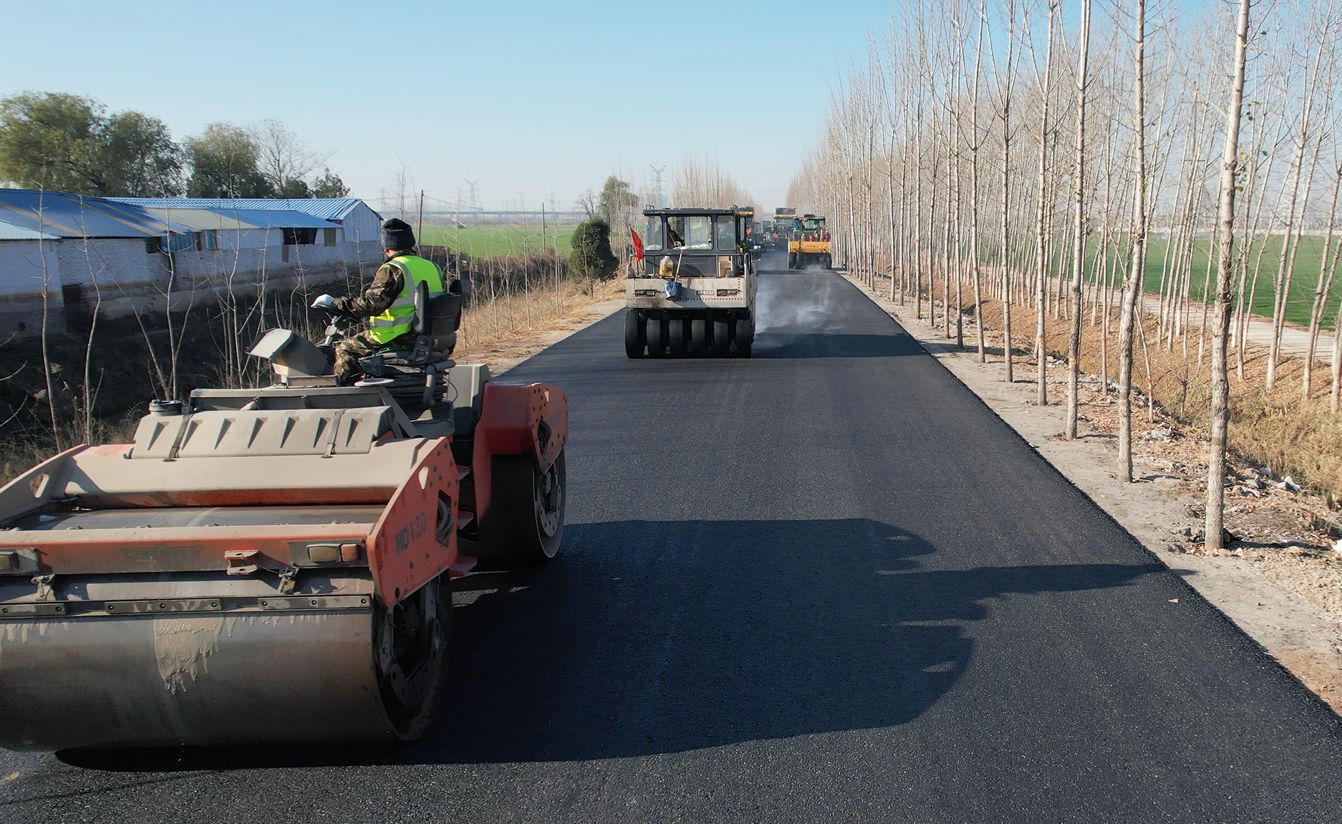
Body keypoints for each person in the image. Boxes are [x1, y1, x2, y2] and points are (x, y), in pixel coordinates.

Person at [312, 218, 445, 385]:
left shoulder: (394, 268)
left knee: (345, 349)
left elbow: (372, 305)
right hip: (425, 335)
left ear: (386, 247)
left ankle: (340, 394)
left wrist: (335, 303)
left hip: (397, 335)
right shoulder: (431, 266)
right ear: (411, 244)